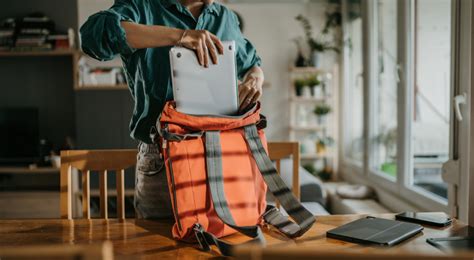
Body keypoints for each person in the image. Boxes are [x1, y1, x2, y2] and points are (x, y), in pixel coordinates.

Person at [80, 0, 264, 218]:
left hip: (221, 155)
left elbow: (251, 63)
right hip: (161, 158)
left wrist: (255, 78)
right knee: (156, 247)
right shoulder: (142, 6)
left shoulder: (224, 16)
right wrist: (181, 36)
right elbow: (93, 37)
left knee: (221, 244)